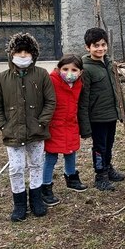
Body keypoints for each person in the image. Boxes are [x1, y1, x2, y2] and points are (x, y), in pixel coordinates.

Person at [0, 32, 56, 221]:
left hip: (36, 131)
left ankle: (36, 200)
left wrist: (42, 121)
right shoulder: (3, 78)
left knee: (36, 165)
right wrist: (2, 125)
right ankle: (19, 204)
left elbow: (50, 101)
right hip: (12, 133)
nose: (22, 55)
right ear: (11, 53)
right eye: (19, 51)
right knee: (16, 168)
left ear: (33, 54)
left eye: (27, 52)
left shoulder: (42, 74)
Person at [78, 27, 125, 191]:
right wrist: (85, 125)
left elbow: (116, 89)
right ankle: (100, 176)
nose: (100, 49)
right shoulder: (86, 69)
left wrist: (121, 111)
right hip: (97, 117)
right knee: (100, 147)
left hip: (110, 114)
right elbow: (83, 99)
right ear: (88, 47)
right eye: (96, 46)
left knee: (109, 143)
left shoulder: (108, 63)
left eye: (103, 45)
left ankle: (107, 168)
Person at [40, 55, 90, 206]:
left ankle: (71, 177)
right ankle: (45, 186)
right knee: (51, 157)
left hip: (70, 124)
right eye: (65, 69)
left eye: (74, 70)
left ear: (80, 72)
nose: (69, 73)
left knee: (71, 152)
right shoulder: (51, 81)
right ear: (58, 69)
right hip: (54, 126)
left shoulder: (79, 83)